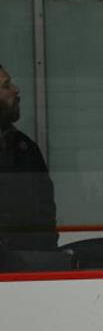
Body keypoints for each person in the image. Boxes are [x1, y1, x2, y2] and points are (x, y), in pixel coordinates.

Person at [0, 64, 57, 253]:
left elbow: (45, 210)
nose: (15, 89)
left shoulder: (25, 148)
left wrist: (45, 254)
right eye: (6, 85)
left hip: (27, 262)